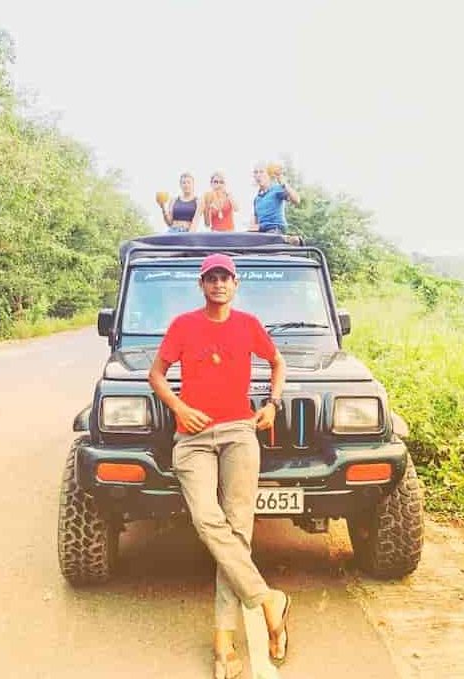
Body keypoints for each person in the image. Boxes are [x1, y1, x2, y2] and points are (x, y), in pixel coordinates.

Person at [148, 253, 291, 679]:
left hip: (238, 433)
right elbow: (156, 374)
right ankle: (269, 600)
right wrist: (178, 405)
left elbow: (277, 362)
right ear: (202, 284)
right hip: (192, 437)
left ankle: (224, 643)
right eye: (211, 278)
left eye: (225, 277)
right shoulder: (183, 325)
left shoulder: (248, 324)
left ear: (236, 283)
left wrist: (272, 404)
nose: (219, 284)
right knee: (208, 521)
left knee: (237, 530)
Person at [250, 162, 300, 233]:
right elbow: (256, 221)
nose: (258, 175)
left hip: (275, 229)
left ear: (268, 175)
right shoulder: (257, 199)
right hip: (262, 231)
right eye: (256, 172)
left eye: (261, 172)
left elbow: (296, 200)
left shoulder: (276, 189)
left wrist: (283, 183)